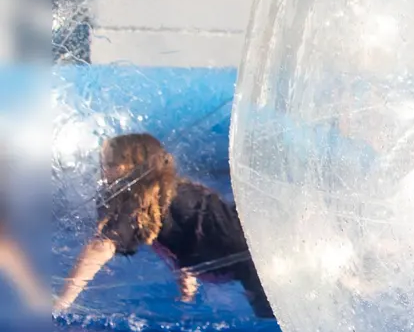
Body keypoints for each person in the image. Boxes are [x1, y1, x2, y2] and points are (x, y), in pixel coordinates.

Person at [53, 133, 272, 319]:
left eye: (111, 165)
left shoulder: (139, 201)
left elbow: (101, 247)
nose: (103, 172)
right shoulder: (172, 192)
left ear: (135, 167)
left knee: (270, 322)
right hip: (258, 234)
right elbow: (192, 228)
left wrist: (61, 303)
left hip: (256, 258)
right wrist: (186, 267)